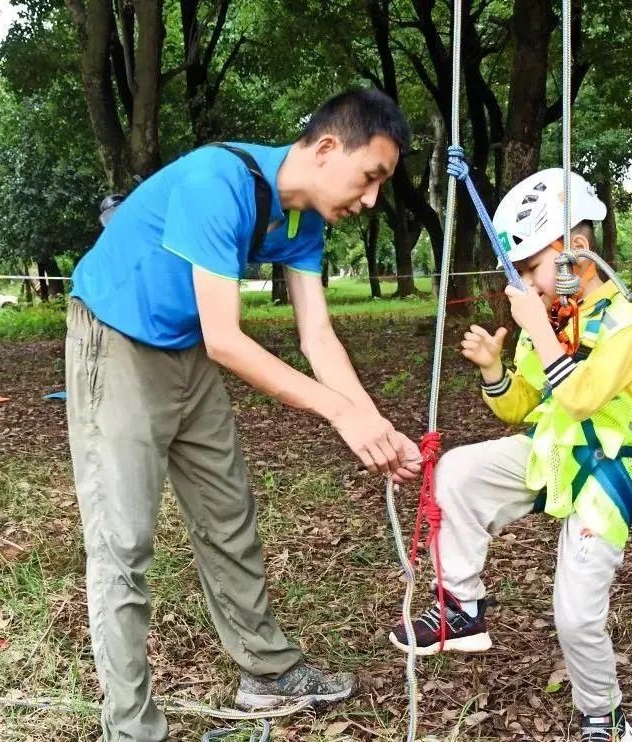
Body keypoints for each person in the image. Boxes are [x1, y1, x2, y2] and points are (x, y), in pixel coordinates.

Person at [67, 89, 423, 741]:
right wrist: (341, 416)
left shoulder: (304, 221)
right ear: (324, 149)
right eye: (370, 177)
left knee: (228, 516)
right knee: (123, 542)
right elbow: (227, 339)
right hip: (117, 337)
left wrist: (374, 422)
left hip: (185, 345)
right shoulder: (218, 180)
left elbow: (317, 337)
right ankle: (130, 728)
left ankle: (266, 670)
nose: (372, 201)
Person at [389, 169, 632, 742]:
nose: (523, 284)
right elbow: (524, 406)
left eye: (530, 268)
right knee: (459, 470)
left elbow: (581, 394)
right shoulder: (545, 321)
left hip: (605, 471)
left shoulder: (627, 324)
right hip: (550, 452)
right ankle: (461, 607)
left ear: (577, 251)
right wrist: (496, 370)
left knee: (575, 615)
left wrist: (538, 334)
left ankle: (602, 712)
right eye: (518, 273)